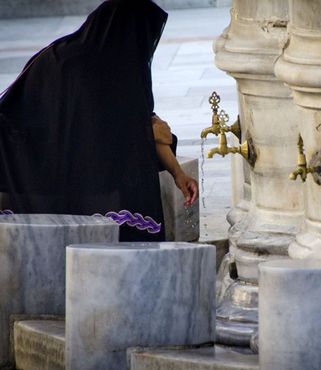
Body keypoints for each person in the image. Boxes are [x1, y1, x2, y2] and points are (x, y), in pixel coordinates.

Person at [0, 0, 198, 241]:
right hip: (50, 166)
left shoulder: (125, 67)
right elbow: (88, 128)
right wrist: (144, 132)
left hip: (96, 177)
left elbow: (145, 124)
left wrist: (179, 174)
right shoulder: (65, 62)